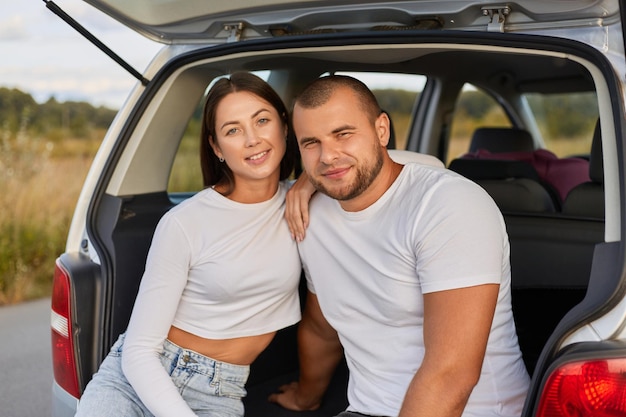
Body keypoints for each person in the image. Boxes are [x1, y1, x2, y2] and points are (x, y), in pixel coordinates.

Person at [270, 75, 530, 417]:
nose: (328, 156)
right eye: (311, 142)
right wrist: (306, 398)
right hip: (366, 408)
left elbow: (451, 376)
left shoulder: (448, 205)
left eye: (343, 134)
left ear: (381, 130)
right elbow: (323, 330)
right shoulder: (310, 213)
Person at [75, 72, 302, 417]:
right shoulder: (185, 222)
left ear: (284, 126)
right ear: (216, 147)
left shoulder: (308, 203)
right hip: (137, 378)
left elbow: (386, 165)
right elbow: (139, 351)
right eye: (233, 130)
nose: (253, 139)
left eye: (262, 120)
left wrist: (312, 181)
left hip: (219, 391)